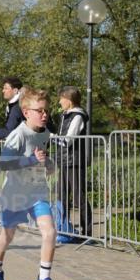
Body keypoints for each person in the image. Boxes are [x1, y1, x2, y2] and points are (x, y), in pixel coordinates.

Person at [0, 88, 63, 280]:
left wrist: (48, 164)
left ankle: (44, 279)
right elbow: (4, 164)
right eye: (40, 111)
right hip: (15, 194)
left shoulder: (45, 133)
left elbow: (43, 161)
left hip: (38, 192)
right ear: (26, 112)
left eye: (47, 111)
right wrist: (31, 160)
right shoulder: (17, 135)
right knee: (7, 236)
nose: (45, 115)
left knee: (50, 232)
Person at [54, 86, 91, 238]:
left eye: (61, 99)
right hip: (63, 160)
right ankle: (63, 228)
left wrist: (52, 137)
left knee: (78, 197)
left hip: (74, 161)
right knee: (61, 196)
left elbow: (68, 140)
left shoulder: (77, 116)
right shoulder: (65, 115)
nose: (60, 101)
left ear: (69, 100)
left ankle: (87, 233)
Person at [0, 76, 24, 142]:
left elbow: (9, 131)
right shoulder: (21, 103)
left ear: (15, 91)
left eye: (6, 88)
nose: (3, 91)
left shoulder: (17, 107)